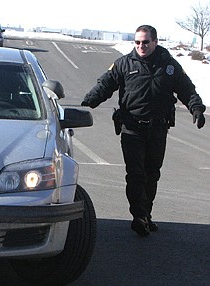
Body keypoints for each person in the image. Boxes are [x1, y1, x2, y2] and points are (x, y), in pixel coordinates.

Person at [81, 25, 206, 237]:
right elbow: (105, 84)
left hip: (158, 129)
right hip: (132, 128)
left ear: (155, 42)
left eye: (145, 42)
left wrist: (197, 108)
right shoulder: (123, 63)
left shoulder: (169, 65)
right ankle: (138, 215)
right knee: (135, 174)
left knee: (152, 174)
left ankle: (146, 214)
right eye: (137, 42)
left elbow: (186, 88)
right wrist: (89, 101)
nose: (141, 46)